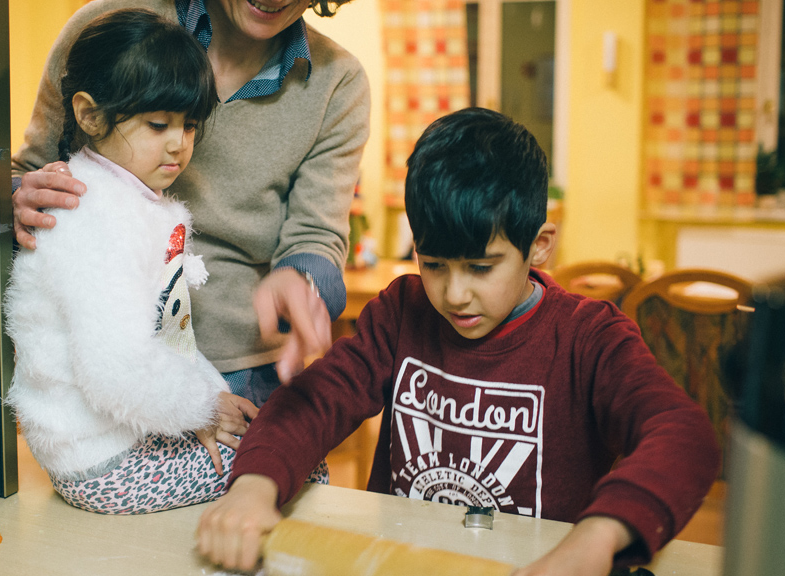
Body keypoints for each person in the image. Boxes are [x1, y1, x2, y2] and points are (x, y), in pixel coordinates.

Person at [196, 108, 721, 574]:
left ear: (539, 246)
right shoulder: (402, 312)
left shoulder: (589, 338)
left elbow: (683, 436)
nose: (455, 294)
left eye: (480, 266)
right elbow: (315, 401)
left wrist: (596, 538)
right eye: (434, 264)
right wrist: (254, 487)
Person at [11, 0, 370, 405]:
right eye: (159, 125)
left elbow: (317, 236)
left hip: (244, 370)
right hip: (103, 363)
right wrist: (21, 197)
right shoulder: (104, 25)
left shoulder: (337, 81)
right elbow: (26, 172)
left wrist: (303, 281)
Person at [5, 9, 268, 515]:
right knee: (286, 461)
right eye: (158, 124)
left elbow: (172, 335)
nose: (179, 144)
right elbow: (116, 370)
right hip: (103, 463)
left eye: (190, 126)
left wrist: (212, 402)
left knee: (271, 439)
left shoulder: (132, 200)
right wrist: (205, 408)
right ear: (90, 114)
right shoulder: (89, 214)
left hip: (122, 438)